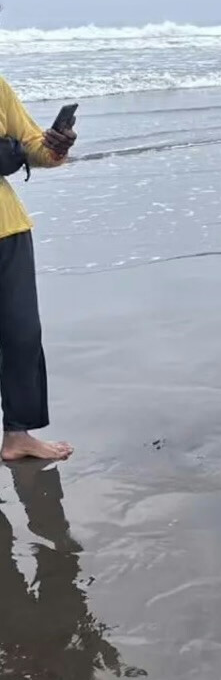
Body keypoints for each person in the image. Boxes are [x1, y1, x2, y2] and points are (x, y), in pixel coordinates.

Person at [0, 75, 76, 461]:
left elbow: (31, 146)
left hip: (7, 228)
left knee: (22, 335)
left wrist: (53, 146)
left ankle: (18, 434)